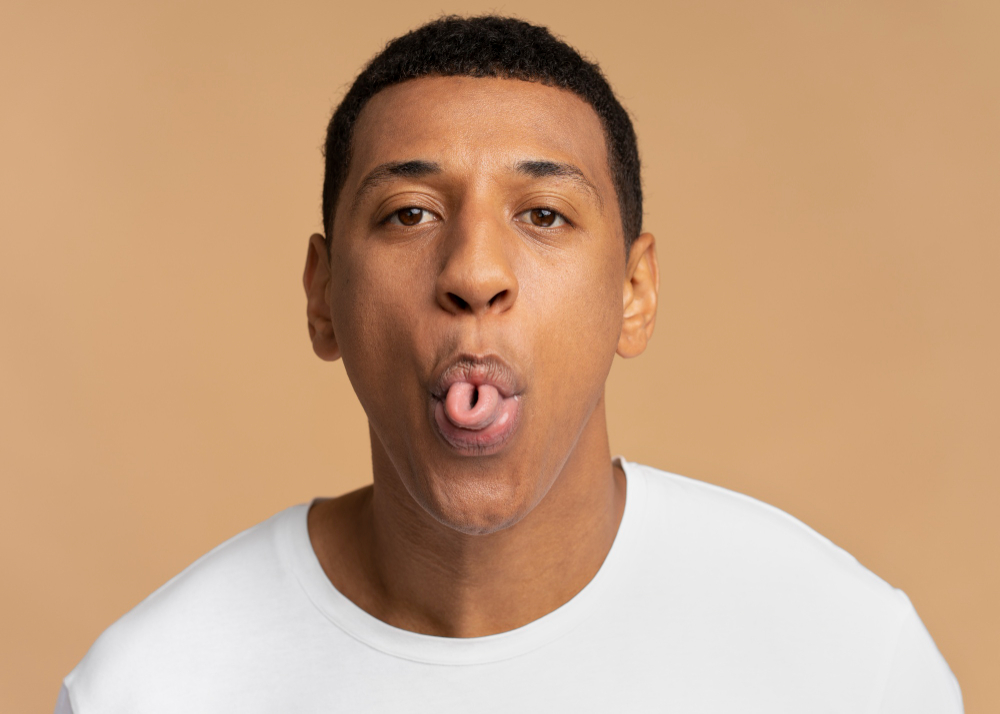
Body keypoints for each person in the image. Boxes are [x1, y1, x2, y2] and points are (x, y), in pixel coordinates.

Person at [55, 15, 962, 713]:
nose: (475, 272)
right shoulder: (150, 689)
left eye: (544, 215)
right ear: (323, 296)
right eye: (410, 213)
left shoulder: (847, 661)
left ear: (633, 292)